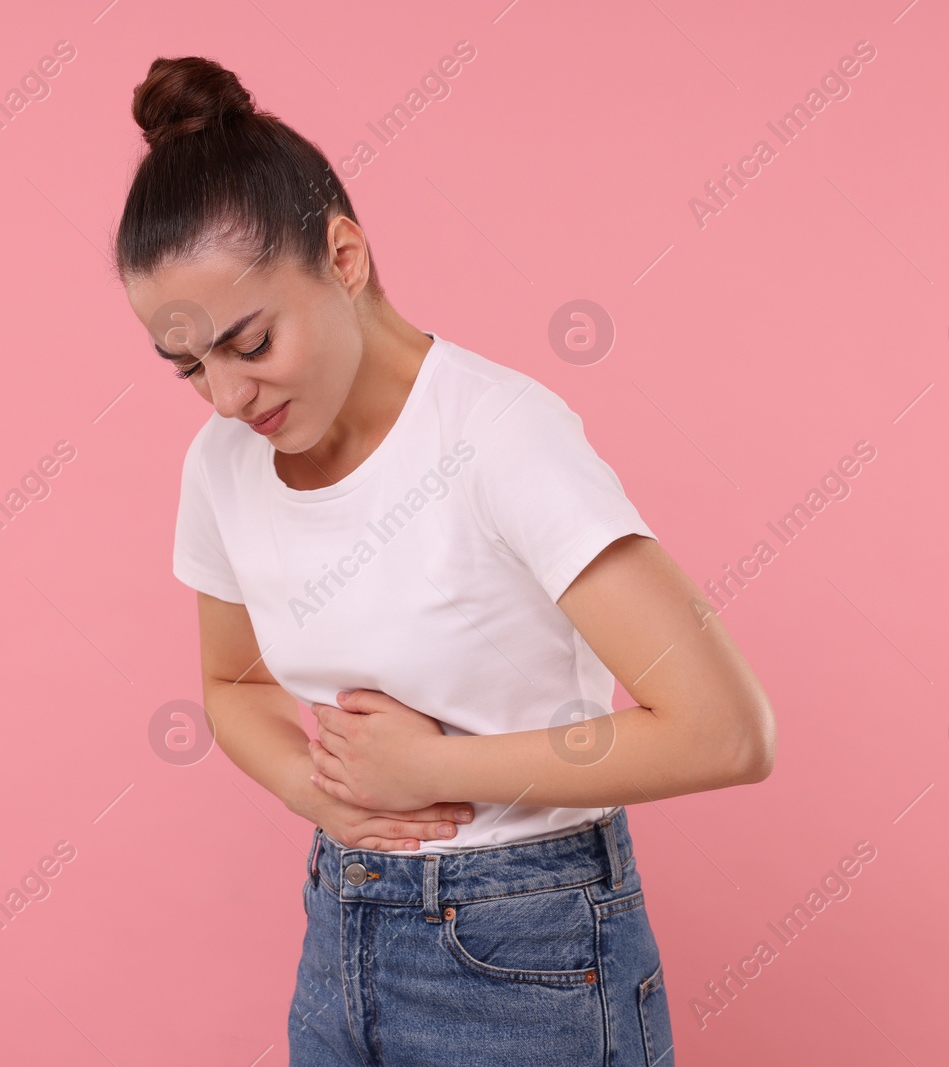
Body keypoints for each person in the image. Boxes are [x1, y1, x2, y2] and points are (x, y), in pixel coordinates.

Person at [115, 54, 775, 1067]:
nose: (227, 397)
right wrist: (313, 788)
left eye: (249, 342)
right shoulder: (221, 465)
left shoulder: (500, 436)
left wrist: (433, 768)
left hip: (531, 949)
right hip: (340, 931)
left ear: (342, 256)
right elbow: (232, 679)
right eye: (191, 366)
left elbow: (726, 730)